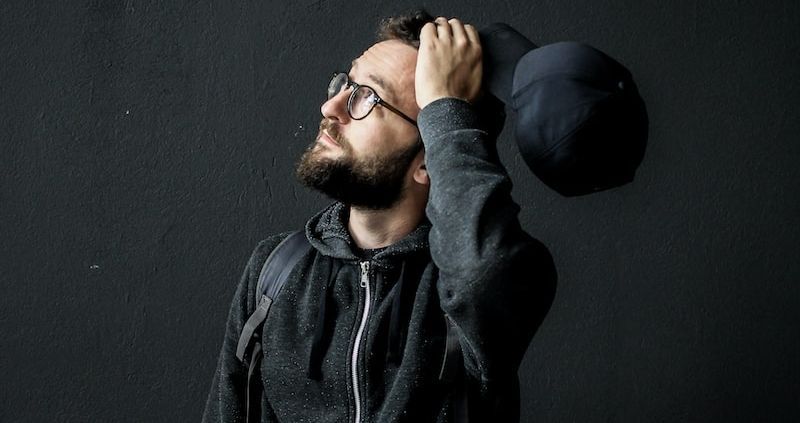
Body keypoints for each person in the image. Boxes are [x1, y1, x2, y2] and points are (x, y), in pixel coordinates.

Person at [202, 10, 556, 423]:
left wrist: (445, 105)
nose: (331, 106)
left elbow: (482, 270)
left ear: (428, 159)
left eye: (367, 97)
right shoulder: (274, 272)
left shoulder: (485, 280)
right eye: (346, 83)